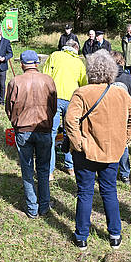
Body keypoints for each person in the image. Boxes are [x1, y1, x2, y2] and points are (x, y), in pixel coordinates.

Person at [65, 50, 131, 251]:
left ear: (90, 71)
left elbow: (70, 121)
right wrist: (125, 140)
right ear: (111, 71)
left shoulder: (82, 93)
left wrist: (79, 143)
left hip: (86, 152)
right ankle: (115, 235)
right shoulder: (120, 93)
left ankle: (82, 237)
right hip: (111, 151)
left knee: (85, 193)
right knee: (109, 192)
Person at [5, 50, 57, 218]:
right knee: (43, 168)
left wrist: (16, 123)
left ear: (22, 64)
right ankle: (43, 206)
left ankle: (32, 209)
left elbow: (9, 107)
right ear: (37, 63)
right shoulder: (48, 80)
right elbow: (53, 105)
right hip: (43, 128)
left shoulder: (15, 81)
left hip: (23, 129)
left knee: (27, 170)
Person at [42, 39, 88, 177]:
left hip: (54, 98)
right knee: (71, 133)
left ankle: (49, 171)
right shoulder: (79, 63)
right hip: (72, 101)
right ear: (76, 48)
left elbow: (45, 75)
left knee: (51, 134)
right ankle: (71, 167)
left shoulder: (54, 56)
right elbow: (84, 83)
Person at [110, 51, 131, 184]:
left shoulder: (105, 76)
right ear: (122, 62)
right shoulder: (129, 78)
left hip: (107, 114)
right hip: (124, 114)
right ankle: (125, 174)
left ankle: (110, 170)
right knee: (123, 145)